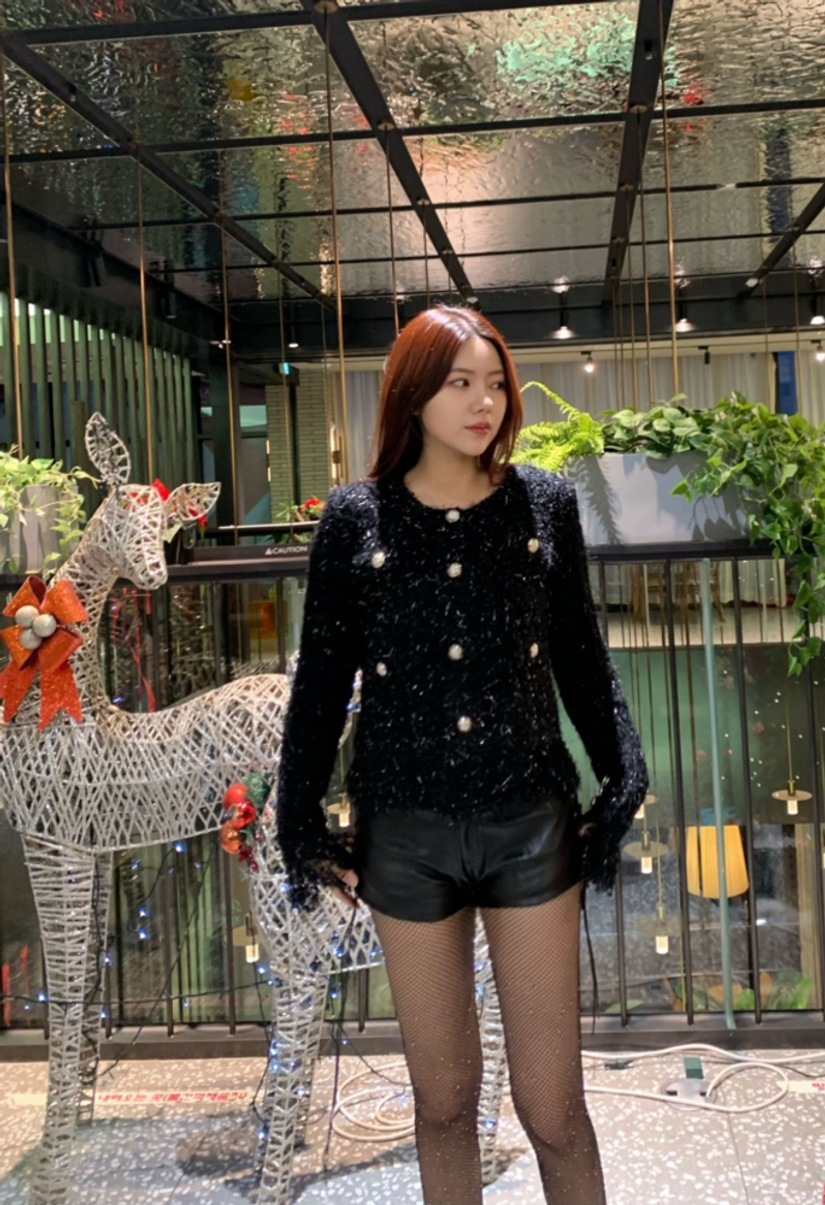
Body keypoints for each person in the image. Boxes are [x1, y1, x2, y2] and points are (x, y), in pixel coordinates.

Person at [276, 305, 649, 1205]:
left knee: (553, 1106)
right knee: (442, 1103)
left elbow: (580, 657)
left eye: (495, 384)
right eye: (459, 383)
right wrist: (298, 817)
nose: (485, 402)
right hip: (403, 837)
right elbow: (320, 682)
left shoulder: (544, 503)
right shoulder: (355, 519)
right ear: (414, 394)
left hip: (529, 827)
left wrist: (623, 769)